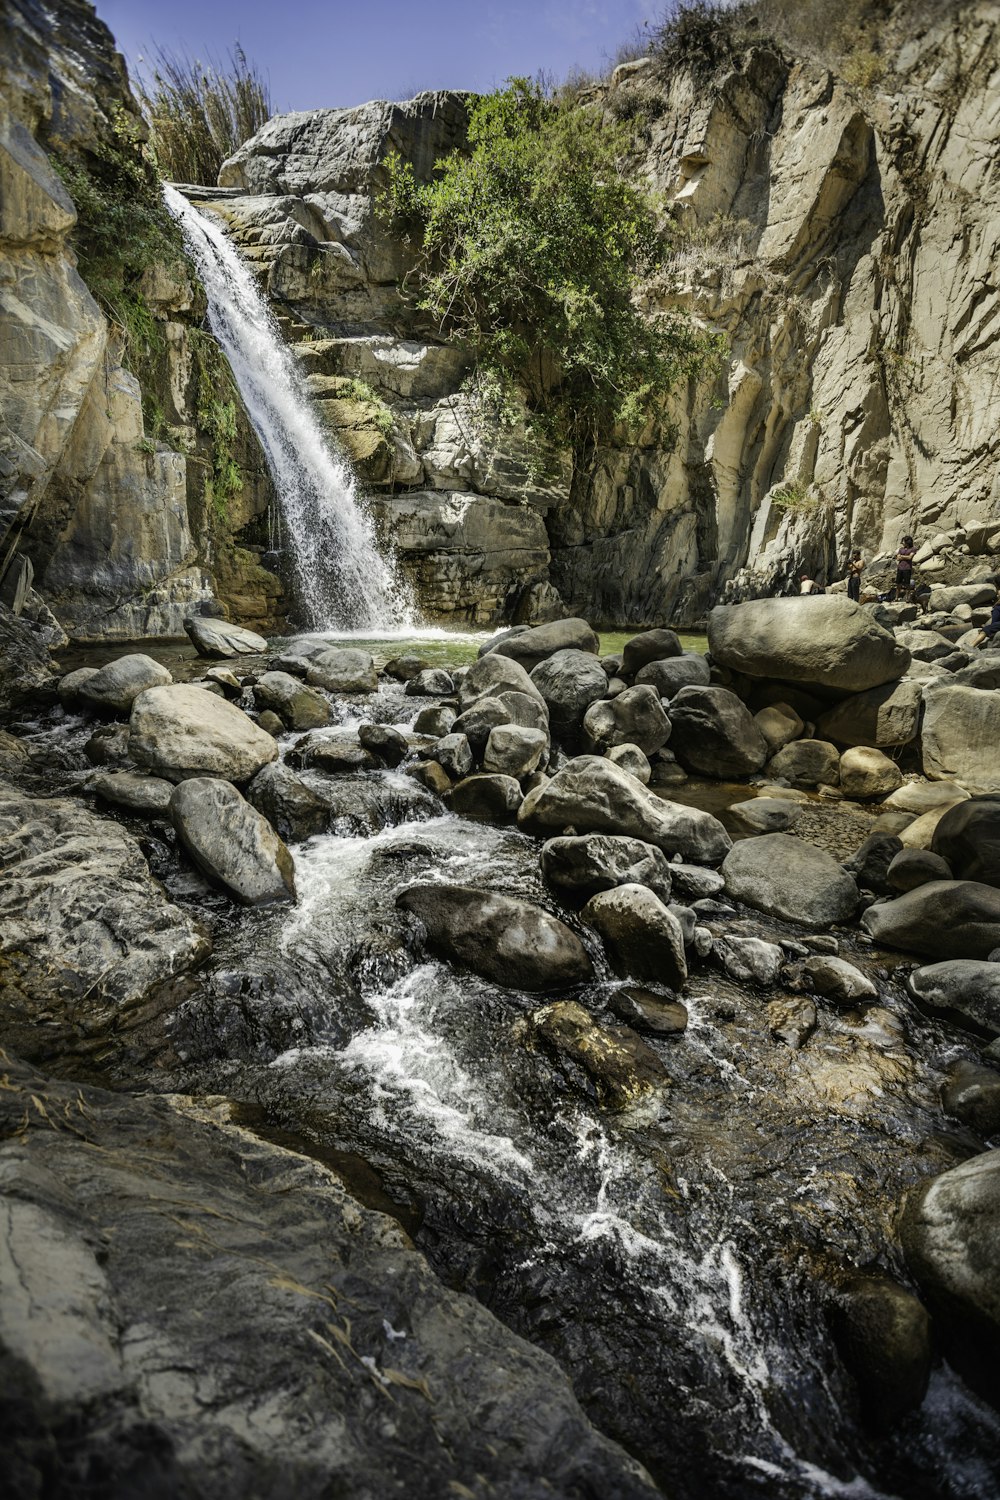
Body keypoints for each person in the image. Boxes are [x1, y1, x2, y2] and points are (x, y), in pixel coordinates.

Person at [894, 535, 916, 600]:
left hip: (907, 568)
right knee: (898, 583)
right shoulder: (901, 549)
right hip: (900, 568)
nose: (902, 543)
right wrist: (904, 556)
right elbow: (898, 558)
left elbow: (910, 557)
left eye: (903, 541)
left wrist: (902, 556)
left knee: (907, 584)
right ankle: (896, 597)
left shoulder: (913, 549)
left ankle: (907, 598)